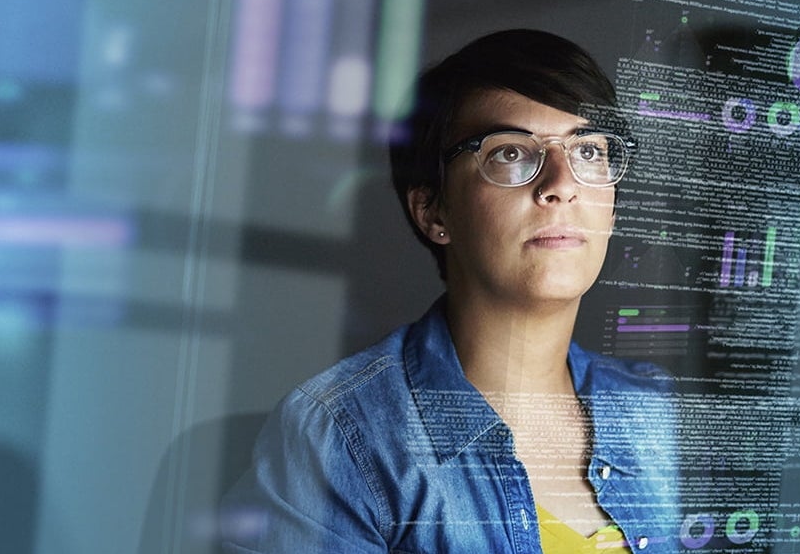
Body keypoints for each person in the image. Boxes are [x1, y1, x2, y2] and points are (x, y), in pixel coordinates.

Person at [220, 29, 679, 553]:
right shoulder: (340, 436)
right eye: (510, 153)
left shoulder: (659, 410)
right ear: (433, 211)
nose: (562, 183)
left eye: (589, 150)